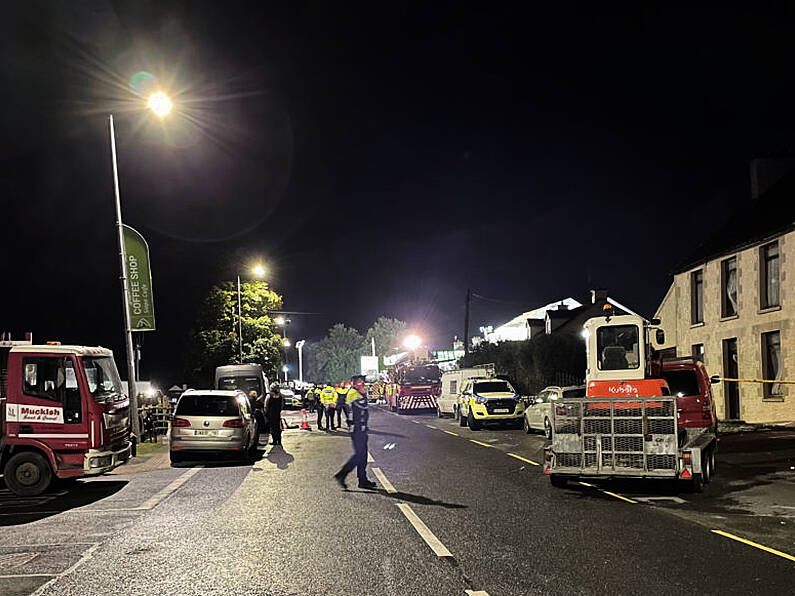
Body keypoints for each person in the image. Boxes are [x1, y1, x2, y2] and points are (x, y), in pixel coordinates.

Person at [333, 375, 376, 489]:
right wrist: (363, 393)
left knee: (362, 455)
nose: (363, 385)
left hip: (361, 429)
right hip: (356, 430)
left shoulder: (356, 392)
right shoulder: (352, 393)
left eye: (363, 383)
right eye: (360, 383)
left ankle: (362, 480)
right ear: (354, 384)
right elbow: (362, 405)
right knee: (359, 455)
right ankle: (342, 474)